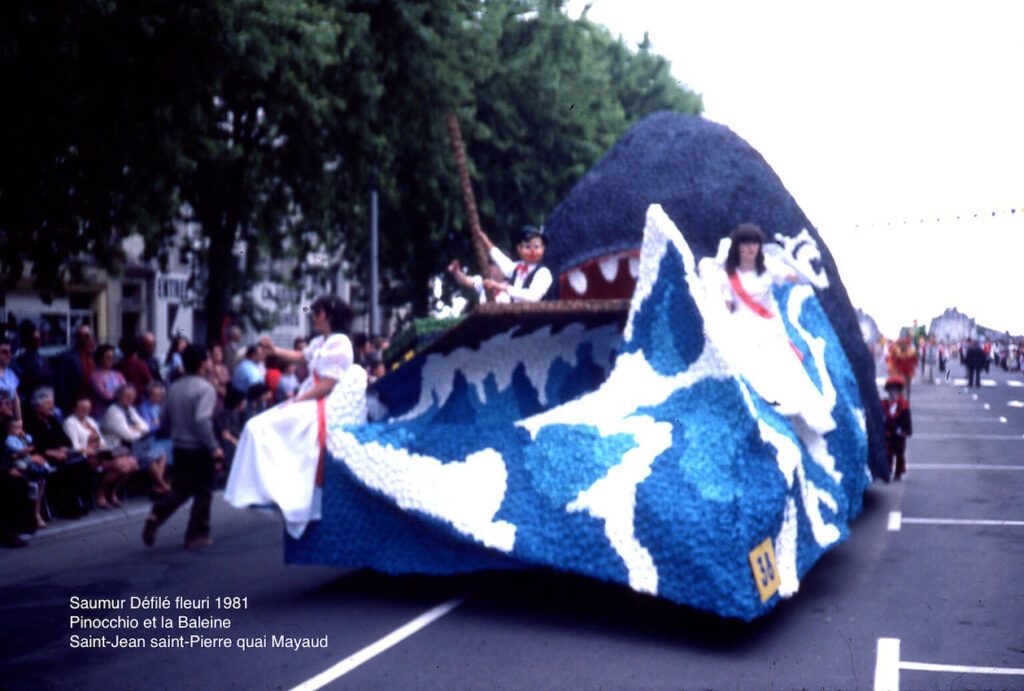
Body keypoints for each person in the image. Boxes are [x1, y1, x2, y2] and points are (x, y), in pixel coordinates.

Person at [225, 295, 368, 538]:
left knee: (260, 427)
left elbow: (327, 384)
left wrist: (297, 401)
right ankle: (261, 491)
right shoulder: (323, 341)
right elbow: (301, 356)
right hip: (310, 397)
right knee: (255, 426)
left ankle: (270, 492)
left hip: (321, 403)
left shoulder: (340, 343)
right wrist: (274, 351)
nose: (314, 316)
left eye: (318, 313)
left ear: (328, 316)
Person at [708, 223, 834, 434]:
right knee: (752, 372)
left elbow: (799, 279)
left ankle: (807, 417)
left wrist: (794, 263)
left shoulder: (768, 265)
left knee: (787, 371)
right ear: (737, 247)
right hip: (741, 330)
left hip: (769, 328)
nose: (749, 250)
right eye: (744, 245)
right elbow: (727, 307)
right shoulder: (727, 275)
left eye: (754, 245)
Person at [142, 344, 224, 549]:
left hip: (179, 447)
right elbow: (203, 420)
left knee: (182, 488)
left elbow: (163, 418)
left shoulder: (174, 387)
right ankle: (196, 534)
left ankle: (158, 513)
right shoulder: (206, 388)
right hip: (199, 447)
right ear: (203, 362)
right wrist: (214, 447)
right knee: (204, 491)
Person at [64, 396, 138, 509]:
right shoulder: (70, 422)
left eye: (88, 408)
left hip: (101, 453)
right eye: (83, 409)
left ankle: (112, 491)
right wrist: (90, 448)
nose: (86, 411)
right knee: (121, 466)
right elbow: (74, 446)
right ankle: (101, 493)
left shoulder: (90, 420)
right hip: (86, 456)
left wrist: (103, 447)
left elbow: (102, 440)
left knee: (132, 464)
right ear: (74, 408)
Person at [102, 384, 171, 496]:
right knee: (148, 457)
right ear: (119, 396)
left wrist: (135, 428)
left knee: (161, 453)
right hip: (119, 447)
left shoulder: (130, 409)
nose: (130, 398)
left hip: (134, 444)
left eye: (132, 396)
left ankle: (158, 486)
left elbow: (146, 427)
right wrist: (137, 429)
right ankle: (162, 485)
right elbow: (128, 435)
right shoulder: (113, 411)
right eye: (127, 396)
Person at [480, 225, 555, 303]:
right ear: (519, 249)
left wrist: (502, 287)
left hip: (536, 314)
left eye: (536, 247)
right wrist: (486, 242)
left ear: (543, 249)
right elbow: (502, 261)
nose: (532, 251)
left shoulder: (543, 273)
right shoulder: (517, 268)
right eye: (527, 246)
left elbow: (533, 296)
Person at [54, 325, 96, 416]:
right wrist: (68, 404)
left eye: (88, 336)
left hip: (91, 403)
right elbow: (60, 383)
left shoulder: (93, 356)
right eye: (83, 336)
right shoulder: (67, 356)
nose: (87, 339)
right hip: (73, 404)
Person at [882, 376, 913, 481]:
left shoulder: (903, 405)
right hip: (889, 433)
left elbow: (907, 419)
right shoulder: (885, 404)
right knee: (888, 452)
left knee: (899, 453)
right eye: (891, 391)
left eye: (895, 391)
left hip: (899, 434)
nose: (892, 393)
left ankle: (898, 472)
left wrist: (906, 431)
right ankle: (888, 471)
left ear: (899, 392)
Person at [88, 344, 127, 419]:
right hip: (102, 414)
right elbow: (105, 396)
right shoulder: (95, 376)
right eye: (107, 357)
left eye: (112, 357)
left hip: (119, 413)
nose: (111, 359)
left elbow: (126, 391)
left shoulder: (118, 375)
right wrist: (120, 397)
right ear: (100, 358)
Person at [447, 260, 512, 304]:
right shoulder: (482, 282)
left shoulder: (513, 283)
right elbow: (467, 281)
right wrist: (456, 271)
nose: (491, 267)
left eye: (494, 265)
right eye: (490, 265)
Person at [0, 339, 22, 422]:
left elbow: (16, 399)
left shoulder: (11, 374)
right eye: (4, 352)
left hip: (9, 419)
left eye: (10, 352)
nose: (9, 355)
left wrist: (19, 420)